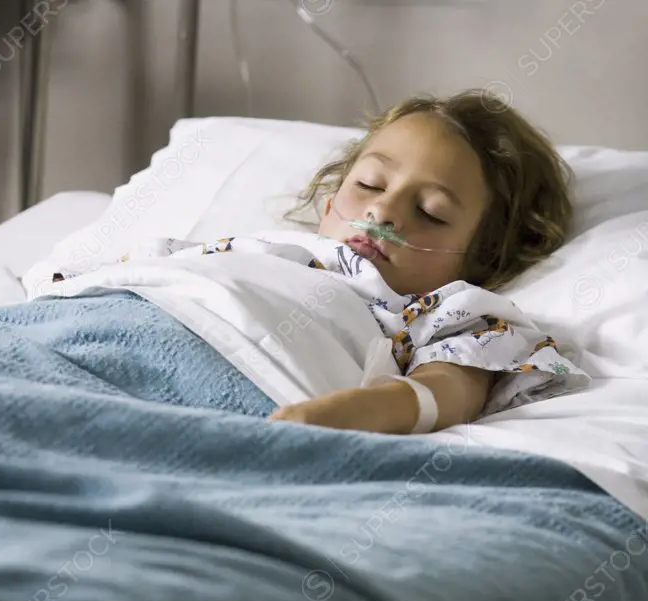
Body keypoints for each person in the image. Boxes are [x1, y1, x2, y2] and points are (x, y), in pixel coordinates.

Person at [29, 90, 589, 434]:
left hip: (232, 377)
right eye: (369, 183)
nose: (383, 210)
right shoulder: (244, 250)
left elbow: (452, 388)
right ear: (328, 204)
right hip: (84, 329)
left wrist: (354, 413)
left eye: (431, 212)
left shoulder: (443, 309)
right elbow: (97, 282)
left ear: (483, 257)